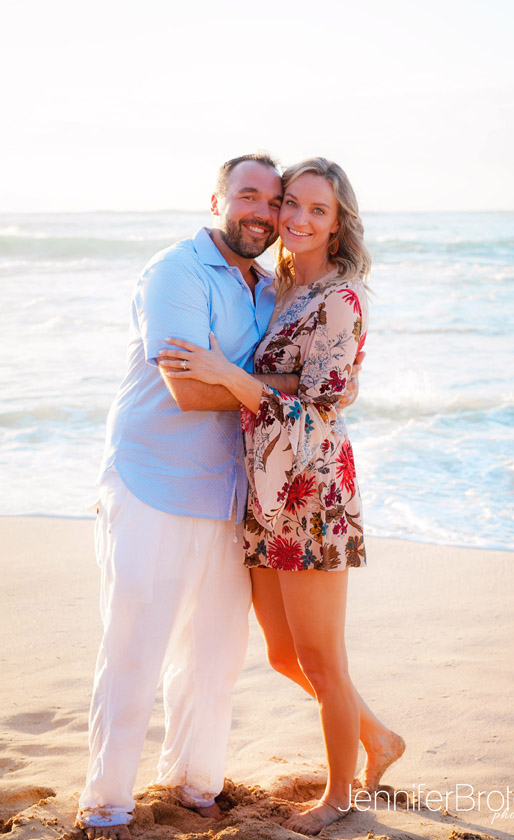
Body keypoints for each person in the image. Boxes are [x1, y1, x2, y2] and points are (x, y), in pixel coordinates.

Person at [159, 157, 405, 836]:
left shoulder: (340, 299)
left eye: (315, 211)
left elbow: (321, 405)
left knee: (323, 659)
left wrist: (226, 375)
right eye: (290, 204)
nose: (294, 218)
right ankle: (378, 736)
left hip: (311, 493)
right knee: (283, 655)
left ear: (338, 223)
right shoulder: (281, 286)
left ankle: (338, 794)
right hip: (264, 488)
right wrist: (253, 379)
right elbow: (294, 385)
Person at [77, 153, 304, 840]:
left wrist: (252, 382)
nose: (262, 212)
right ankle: (107, 803)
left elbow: (288, 384)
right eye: (248, 196)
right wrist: (276, 390)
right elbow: (187, 389)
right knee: (136, 645)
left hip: (228, 489)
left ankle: (195, 783)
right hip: (152, 479)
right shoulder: (176, 270)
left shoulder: (268, 288)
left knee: (215, 651)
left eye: (274, 201)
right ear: (217, 201)